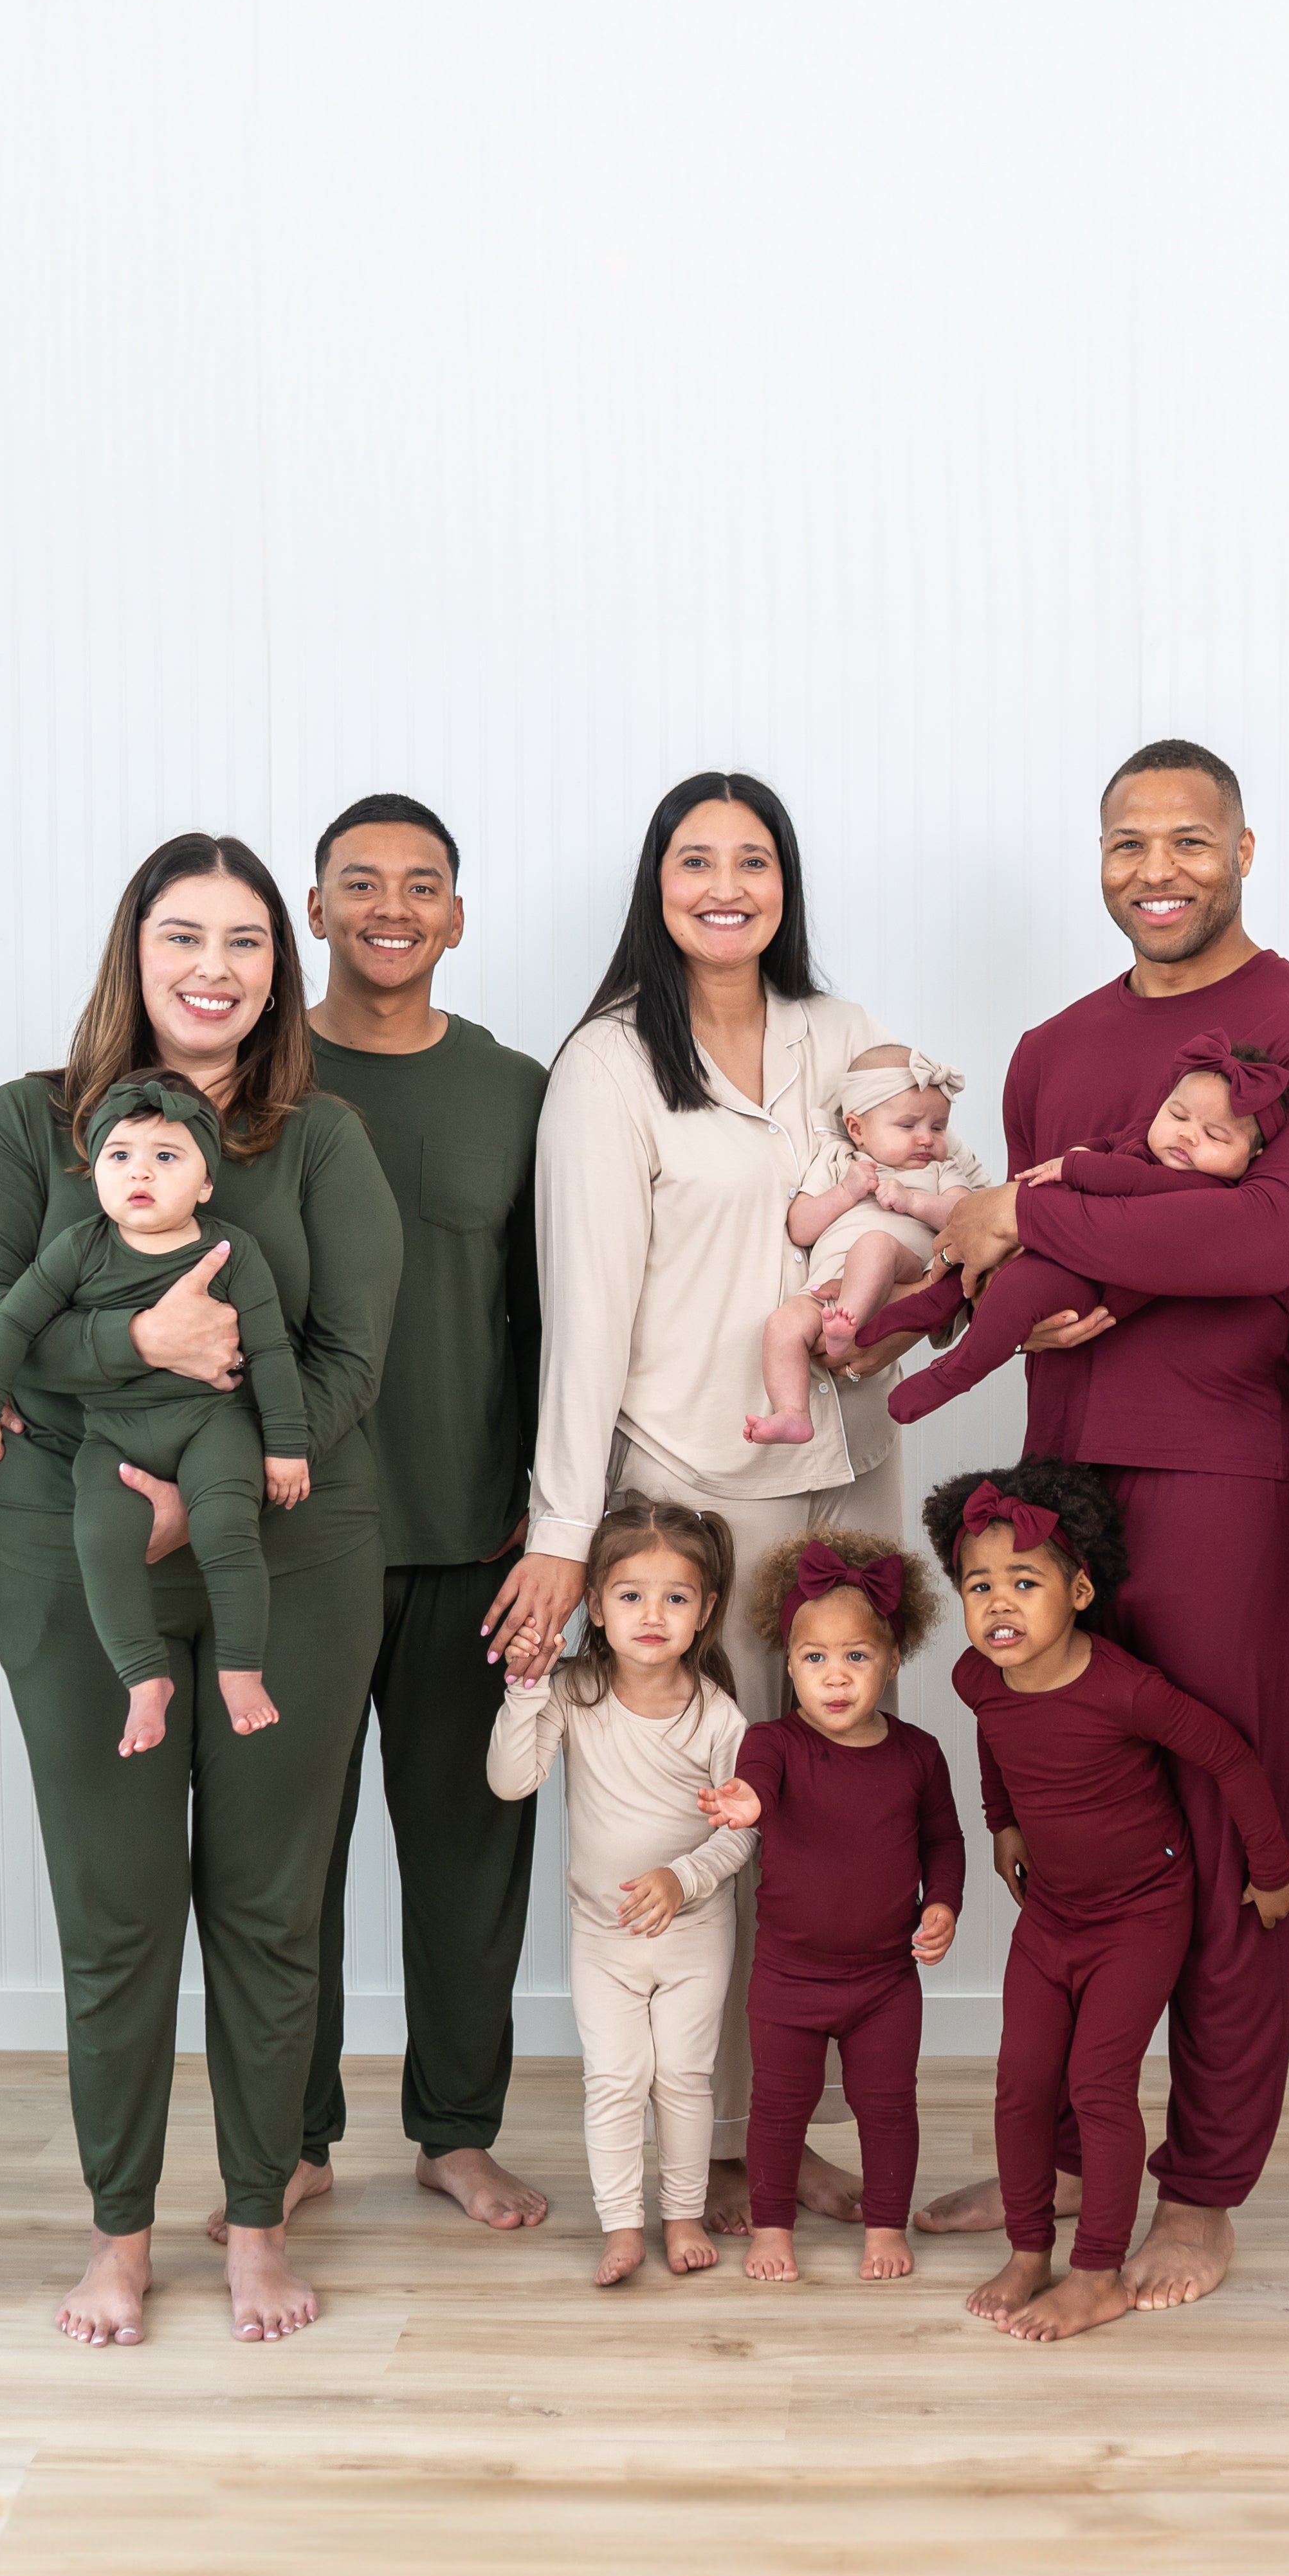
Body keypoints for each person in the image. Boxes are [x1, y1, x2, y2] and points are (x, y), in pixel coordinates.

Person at [918, 739, 1289, 2307]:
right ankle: (1065, 2148)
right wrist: (995, 1259)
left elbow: (1258, 1236)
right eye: (1127, 842)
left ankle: (1201, 2180)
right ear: (1098, 857)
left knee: (1215, 1820)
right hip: (1063, 1477)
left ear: (1246, 845)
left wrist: (1020, 1213)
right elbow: (1052, 1258)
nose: (1156, 868)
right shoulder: (1049, 1046)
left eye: (1189, 838)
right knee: (1067, 1826)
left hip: (1227, 1480)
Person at [0, 834, 403, 2346]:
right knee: (118, 1909)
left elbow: (343, 1361)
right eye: (182, 933)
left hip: (289, 1554)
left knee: (269, 1907)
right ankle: (121, 2235)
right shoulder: (28, 1126)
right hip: (73, 1554)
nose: (214, 967)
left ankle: (256, 2220)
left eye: (249, 941)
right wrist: (133, 1363)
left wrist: (213, 1486)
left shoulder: (320, 1140)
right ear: (130, 950)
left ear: (281, 967)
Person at [488, 772, 913, 2233]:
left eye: (751, 858)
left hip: (840, 1478)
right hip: (683, 1496)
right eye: (693, 858)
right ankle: (713, 2143)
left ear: (784, 881)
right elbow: (583, 1314)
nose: (723, 882)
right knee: (703, 1810)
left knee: (823, 1809)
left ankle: (791, 2125)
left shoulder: (848, 1038)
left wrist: (898, 1309)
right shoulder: (608, 1064)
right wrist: (562, 1531)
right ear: (653, 882)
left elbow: (905, 1227)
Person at [278, 793, 550, 2237]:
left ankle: (456, 2127)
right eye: (359, 881)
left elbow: (554, 1310)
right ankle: (296, 2132)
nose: (392, 904)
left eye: (422, 883)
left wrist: (555, 1520)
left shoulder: (513, 1088)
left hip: (476, 1537)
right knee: (288, 1857)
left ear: (457, 915)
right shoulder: (251, 1074)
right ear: (313, 909)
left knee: (467, 1854)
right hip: (295, 1533)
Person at [932, 1464, 1289, 2343]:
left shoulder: (1124, 1687)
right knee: (1021, 2084)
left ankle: (1096, 2270)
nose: (999, 1606)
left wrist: (1271, 1867)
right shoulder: (976, 1678)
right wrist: (1002, 1824)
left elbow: (1230, 1758)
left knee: (1098, 2084)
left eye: (1024, 1582)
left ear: (1080, 1590)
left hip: (1140, 1916)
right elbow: (994, 1741)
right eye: (978, 1586)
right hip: (1052, 1916)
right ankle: (1031, 2250)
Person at [0, 1075, 310, 1750]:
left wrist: (285, 1445)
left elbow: (271, 1351)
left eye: (166, 1156)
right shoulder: (80, 1248)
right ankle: (145, 1679)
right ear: (96, 1175)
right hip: (113, 1434)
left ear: (206, 1182)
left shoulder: (232, 1252)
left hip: (212, 1424)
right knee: (99, 1539)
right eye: (119, 1156)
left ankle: (242, 1669)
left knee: (227, 1525)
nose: (139, 1170)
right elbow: (9, 1326)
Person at [485, 1498, 754, 2287]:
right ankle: (621, 2225)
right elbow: (511, 1781)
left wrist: (683, 1877)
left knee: (682, 2078)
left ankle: (680, 2213)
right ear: (595, 1607)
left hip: (695, 1935)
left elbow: (742, 1831)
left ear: (704, 1611)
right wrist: (527, 1687)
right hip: (604, 1938)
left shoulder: (717, 1716)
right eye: (631, 1595)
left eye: (675, 1598)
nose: (652, 1615)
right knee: (613, 2080)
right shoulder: (576, 1694)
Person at [695, 1530, 962, 2284]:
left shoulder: (917, 1754)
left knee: (888, 2108)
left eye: (856, 1656)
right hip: (788, 1979)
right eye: (815, 1658)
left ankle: (884, 2225)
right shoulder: (771, 1746)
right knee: (776, 2111)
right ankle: (773, 2226)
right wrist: (743, 1801)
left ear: (892, 1659)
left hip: (884, 1980)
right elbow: (757, 1788)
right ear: (789, 1663)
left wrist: (942, 1903)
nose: (835, 1677)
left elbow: (944, 1839)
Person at [871, 1033, 1289, 1426]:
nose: (1187, 1135)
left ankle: (955, 1372)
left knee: (1018, 1288)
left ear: (1253, 1154)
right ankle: (932, 1303)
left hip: (1090, 1283)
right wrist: (1086, 1149)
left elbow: (1132, 1180)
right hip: (1058, 1246)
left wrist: (1072, 1166)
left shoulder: (1207, 1189)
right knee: (989, 1255)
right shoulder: (1150, 1141)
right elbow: (1114, 1144)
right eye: (1177, 1114)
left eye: (1215, 1135)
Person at [747, 1048, 983, 1446]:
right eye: (908, 1125)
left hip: (902, 1273)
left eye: (939, 1127)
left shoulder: (941, 1170)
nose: (927, 1138)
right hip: (827, 1287)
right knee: (782, 1325)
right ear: (857, 1128)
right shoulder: (840, 1162)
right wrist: (845, 1192)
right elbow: (801, 1227)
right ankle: (792, 1412)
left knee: (874, 1244)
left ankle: (847, 1328)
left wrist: (914, 1202)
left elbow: (966, 1219)